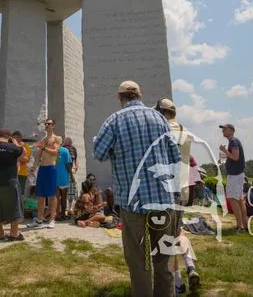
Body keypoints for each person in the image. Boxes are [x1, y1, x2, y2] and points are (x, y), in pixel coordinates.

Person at [93, 80, 181, 297]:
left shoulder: (114, 120)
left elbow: (99, 153)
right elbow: (175, 157)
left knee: (138, 261)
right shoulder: (160, 118)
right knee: (164, 259)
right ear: (140, 95)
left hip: (132, 203)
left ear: (120, 98)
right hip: (162, 199)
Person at [29, 119, 62, 228]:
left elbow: (55, 152)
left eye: (49, 124)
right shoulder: (43, 139)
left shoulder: (57, 138)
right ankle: (39, 219)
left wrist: (44, 148)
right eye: (46, 124)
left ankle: (52, 219)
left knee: (52, 195)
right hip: (42, 169)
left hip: (51, 168)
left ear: (53, 126)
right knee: (40, 195)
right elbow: (39, 154)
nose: (47, 125)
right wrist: (34, 166)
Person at [219, 123, 248, 233]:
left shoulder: (233, 141)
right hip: (238, 174)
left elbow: (235, 157)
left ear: (231, 130)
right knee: (240, 200)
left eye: (224, 129)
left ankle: (240, 227)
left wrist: (224, 150)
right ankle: (244, 226)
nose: (223, 131)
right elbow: (234, 157)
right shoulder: (233, 141)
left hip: (235, 175)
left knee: (232, 198)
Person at [56, 141, 73, 220]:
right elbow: (68, 165)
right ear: (61, 143)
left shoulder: (51, 150)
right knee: (63, 197)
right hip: (63, 177)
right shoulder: (65, 151)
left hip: (54, 177)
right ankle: (63, 214)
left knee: (56, 197)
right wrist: (72, 176)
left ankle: (57, 215)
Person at [12, 131, 31, 196]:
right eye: (12, 138)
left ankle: (19, 206)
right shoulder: (10, 146)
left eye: (15, 138)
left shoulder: (25, 147)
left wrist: (13, 157)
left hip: (21, 173)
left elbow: (25, 159)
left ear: (20, 138)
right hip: (11, 173)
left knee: (19, 192)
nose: (13, 140)